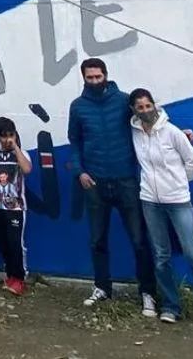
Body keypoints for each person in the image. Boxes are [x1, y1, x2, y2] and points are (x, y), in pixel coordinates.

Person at [129, 88, 193, 333]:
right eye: (140, 107)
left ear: (154, 105)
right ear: (134, 110)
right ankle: (171, 307)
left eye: (148, 105)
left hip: (179, 201)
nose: (145, 110)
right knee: (161, 257)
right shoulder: (135, 133)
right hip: (150, 201)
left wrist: (178, 182)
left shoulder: (172, 132)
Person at [67, 57, 158, 315]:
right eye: (89, 78)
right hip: (94, 183)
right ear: (84, 78)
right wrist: (80, 172)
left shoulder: (124, 101)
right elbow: (74, 141)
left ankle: (148, 293)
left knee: (139, 240)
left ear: (106, 75)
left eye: (98, 76)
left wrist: (179, 133)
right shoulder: (78, 107)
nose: (95, 81)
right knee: (97, 240)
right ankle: (102, 287)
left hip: (126, 181)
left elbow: (150, 119)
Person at [0, 116, 33, 296]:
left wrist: (16, 147)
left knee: (15, 244)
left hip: (16, 209)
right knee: (3, 244)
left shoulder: (22, 154)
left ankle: (19, 279)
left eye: (11, 135)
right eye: (3, 136)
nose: (7, 139)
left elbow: (27, 170)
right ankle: (10, 276)